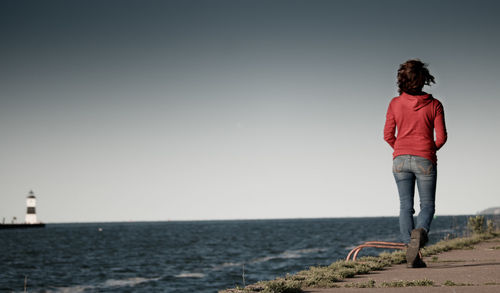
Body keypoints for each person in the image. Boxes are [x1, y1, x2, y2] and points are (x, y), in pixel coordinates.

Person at [383, 59, 447, 268]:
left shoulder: (394, 103)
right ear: (423, 79)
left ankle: (411, 253)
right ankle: (420, 235)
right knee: (427, 205)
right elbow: (442, 137)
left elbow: (387, 135)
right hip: (425, 159)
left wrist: (400, 149)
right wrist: (428, 150)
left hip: (400, 159)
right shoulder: (435, 104)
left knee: (405, 206)